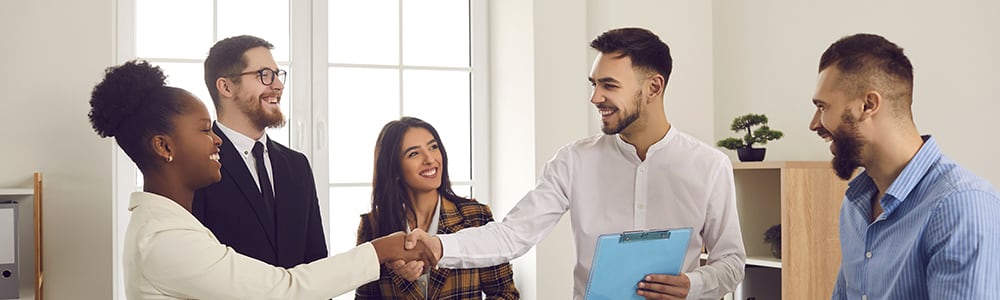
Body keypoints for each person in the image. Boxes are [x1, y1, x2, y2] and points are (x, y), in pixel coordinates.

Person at [404, 27, 746, 300]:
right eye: (594, 84)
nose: (595, 97)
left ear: (653, 87)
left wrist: (693, 285)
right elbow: (513, 235)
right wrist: (439, 246)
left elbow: (731, 262)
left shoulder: (710, 166)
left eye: (608, 85)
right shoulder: (573, 160)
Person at [88, 60, 436, 299]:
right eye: (204, 130)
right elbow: (282, 289)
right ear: (164, 146)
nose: (216, 139)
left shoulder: (171, 226)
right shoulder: (164, 240)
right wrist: (378, 250)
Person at [810, 33, 1000, 299]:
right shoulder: (855, 206)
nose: (814, 123)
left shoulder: (962, 206)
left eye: (822, 107)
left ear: (868, 105)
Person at [192, 35, 327, 269]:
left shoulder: (297, 166)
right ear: (226, 86)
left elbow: (316, 262)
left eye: (277, 74)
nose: (278, 85)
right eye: (264, 75)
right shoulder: (196, 165)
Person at [354, 117, 519, 299]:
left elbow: (506, 294)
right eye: (414, 154)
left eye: (433, 147)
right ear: (394, 169)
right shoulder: (373, 225)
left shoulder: (476, 216)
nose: (430, 159)